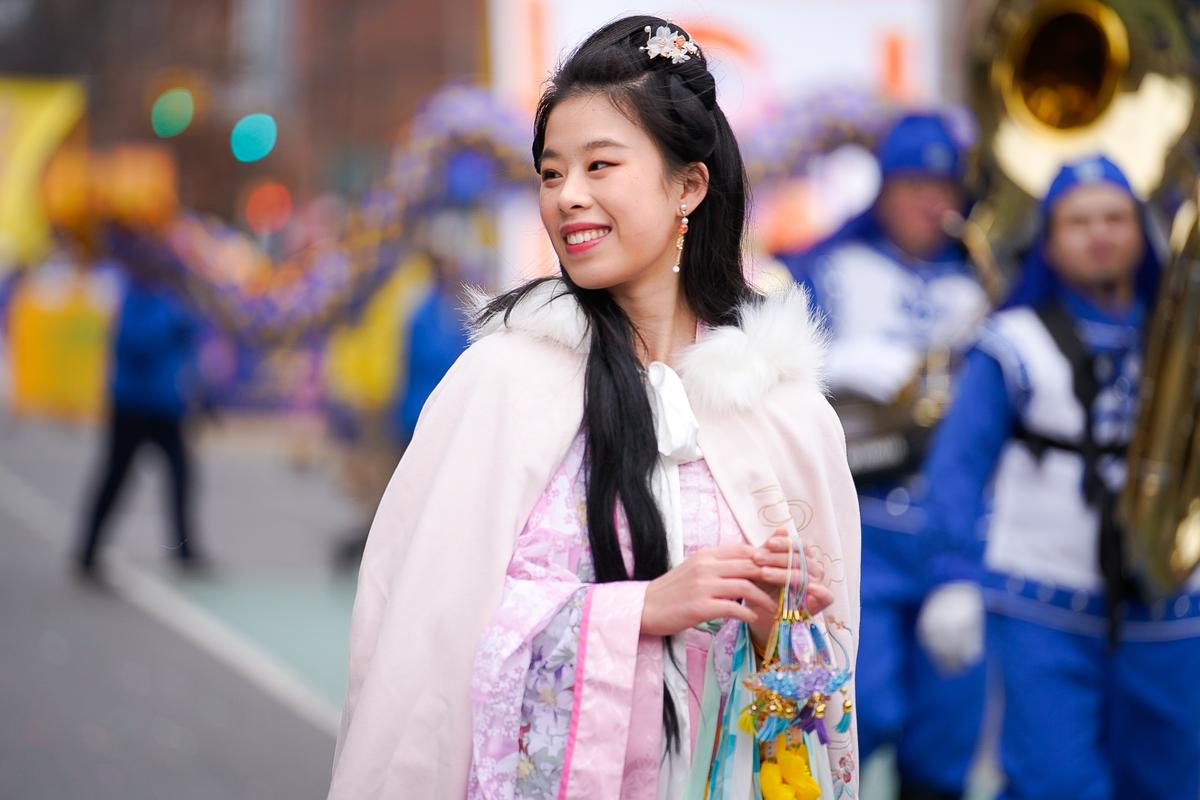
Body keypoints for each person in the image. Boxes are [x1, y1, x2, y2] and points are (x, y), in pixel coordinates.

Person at [328, 16, 861, 799]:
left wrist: (781, 628)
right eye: (550, 174)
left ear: (689, 184)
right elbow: (424, 646)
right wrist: (638, 611)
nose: (568, 197)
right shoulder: (504, 384)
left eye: (599, 165)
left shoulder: (783, 410)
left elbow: (824, 702)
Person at [921, 155, 1200, 800]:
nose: (1099, 234)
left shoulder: (1180, 333)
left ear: (1141, 230)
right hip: (1043, 605)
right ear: (1049, 238)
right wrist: (950, 577)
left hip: (1171, 607)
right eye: (1078, 222)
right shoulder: (1011, 342)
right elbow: (958, 468)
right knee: (1054, 783)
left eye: (1114, 218)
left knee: (1170, 783)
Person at [778, 113, 989, 799]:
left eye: (944, 186)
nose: (932, 202)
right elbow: (767, 365)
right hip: (858, 523)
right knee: (856, 710)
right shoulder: (828, 268)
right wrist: (834, 364)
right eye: (913, 185)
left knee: (947, 734)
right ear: (884, 190)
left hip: (953, 531)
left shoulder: (983, 283)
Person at [76, 242, 206, 577]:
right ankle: (87, 550)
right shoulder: (133, 296)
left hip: (165, 407)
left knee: (181, 476)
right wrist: (171, 321)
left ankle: (184, 550)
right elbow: (134, 340)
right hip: (133, 405)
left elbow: (190, 347)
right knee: (115, 477)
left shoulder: (171, 298)